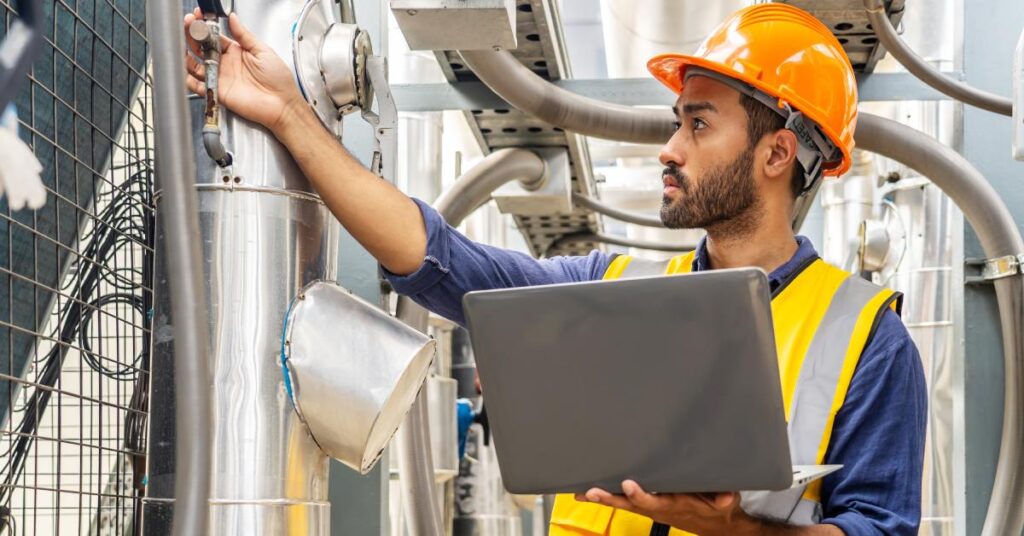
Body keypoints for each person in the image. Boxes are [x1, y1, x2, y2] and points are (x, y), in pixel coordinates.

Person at [183, 4, 926, 535]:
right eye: (676, 121)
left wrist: (731, 527)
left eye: (698, 123)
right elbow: (439, 260)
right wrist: (286, 112)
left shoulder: (869, 340)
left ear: (776, 154)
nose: (669, 147)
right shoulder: (608, 290)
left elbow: (877, 530)